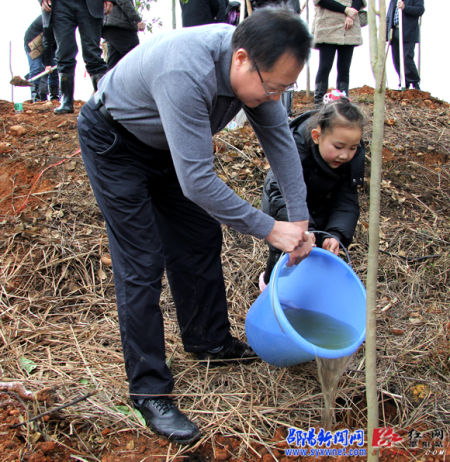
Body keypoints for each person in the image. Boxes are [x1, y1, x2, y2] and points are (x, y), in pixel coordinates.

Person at [77, 8, 313, 443]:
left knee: (199, 236)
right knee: (142, 262)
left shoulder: (257, 76)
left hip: (168, 143)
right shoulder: (186, 70)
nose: (274, 97)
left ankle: (209, 342)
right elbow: (198, 181)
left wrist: (298, 217)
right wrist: (269, 228)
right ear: (241, 59)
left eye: (285, 87)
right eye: (273, 86)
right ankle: (149, 390)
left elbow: (279, 140)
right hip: (114, 141)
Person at [260, 91, 365, 290]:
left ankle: (307, 290)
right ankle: (271, 287)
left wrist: (335, 234)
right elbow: (279, 193)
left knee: (318, 249)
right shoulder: (294, 148)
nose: (345, 155)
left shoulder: (353, 158)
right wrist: (305, 229)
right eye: (339, 146)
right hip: (284, 204)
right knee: (285, 247)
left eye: (352, 148)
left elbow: (347, 200)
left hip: (321, 204)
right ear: (317, 136)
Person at [40, 0, 112, 114]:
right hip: (59, 5)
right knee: (64, 53)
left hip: (89, 4)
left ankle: (103, 100)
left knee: (93, 53)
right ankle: (66, 100)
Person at [312, 0, 365, 105]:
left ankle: (343, 100)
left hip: (349, 28)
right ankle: (319, 101)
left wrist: (351, 14)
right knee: (325, 66)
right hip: (327, 27)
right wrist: (345, 10)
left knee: (344, 68)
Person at [386, 0, 424, 90]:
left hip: (408, 32)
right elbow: (389, 16)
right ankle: (404, 81)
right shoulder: (394, 1)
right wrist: (386, 33)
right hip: (395, 31)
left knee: (406, 57)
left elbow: (420, 10)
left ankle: (414, 81)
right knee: (396, 59)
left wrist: (405, 8)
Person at [24, 15, 59, 102]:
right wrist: (47, 64)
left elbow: (59, 43)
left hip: (49, 44)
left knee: (54, 68)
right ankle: (35, 95)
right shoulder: (50, 19)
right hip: (33, 43)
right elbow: (46, 42)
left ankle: (54, 96)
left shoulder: (64, 23)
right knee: (37, 68)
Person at [102, 0, 145, 70]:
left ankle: (107, 80)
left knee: (113, 65)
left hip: (111, 26)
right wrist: (137, 20)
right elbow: (124, 2)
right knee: (135, 60)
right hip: (121, 26)